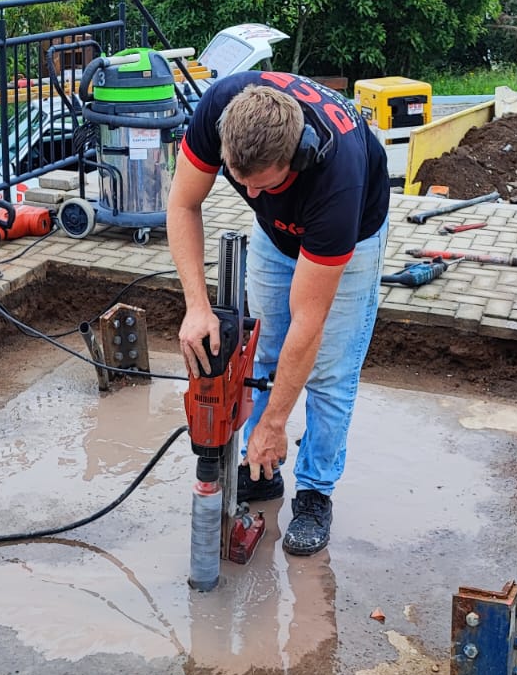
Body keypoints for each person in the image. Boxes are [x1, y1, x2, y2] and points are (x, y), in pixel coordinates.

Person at [166, 71, 390, 556]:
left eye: (264, 185)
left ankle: (314, 493)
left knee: (329, 369)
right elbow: (183, 203)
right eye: (240, 182)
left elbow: (308, 324)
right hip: (278, 234)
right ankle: (262, 471)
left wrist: (276, 421)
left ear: (298, 156)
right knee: (263, 350)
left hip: (350, 236)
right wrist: (196, 307)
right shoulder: (219, 109)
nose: (251, 196)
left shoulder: (337, 178)